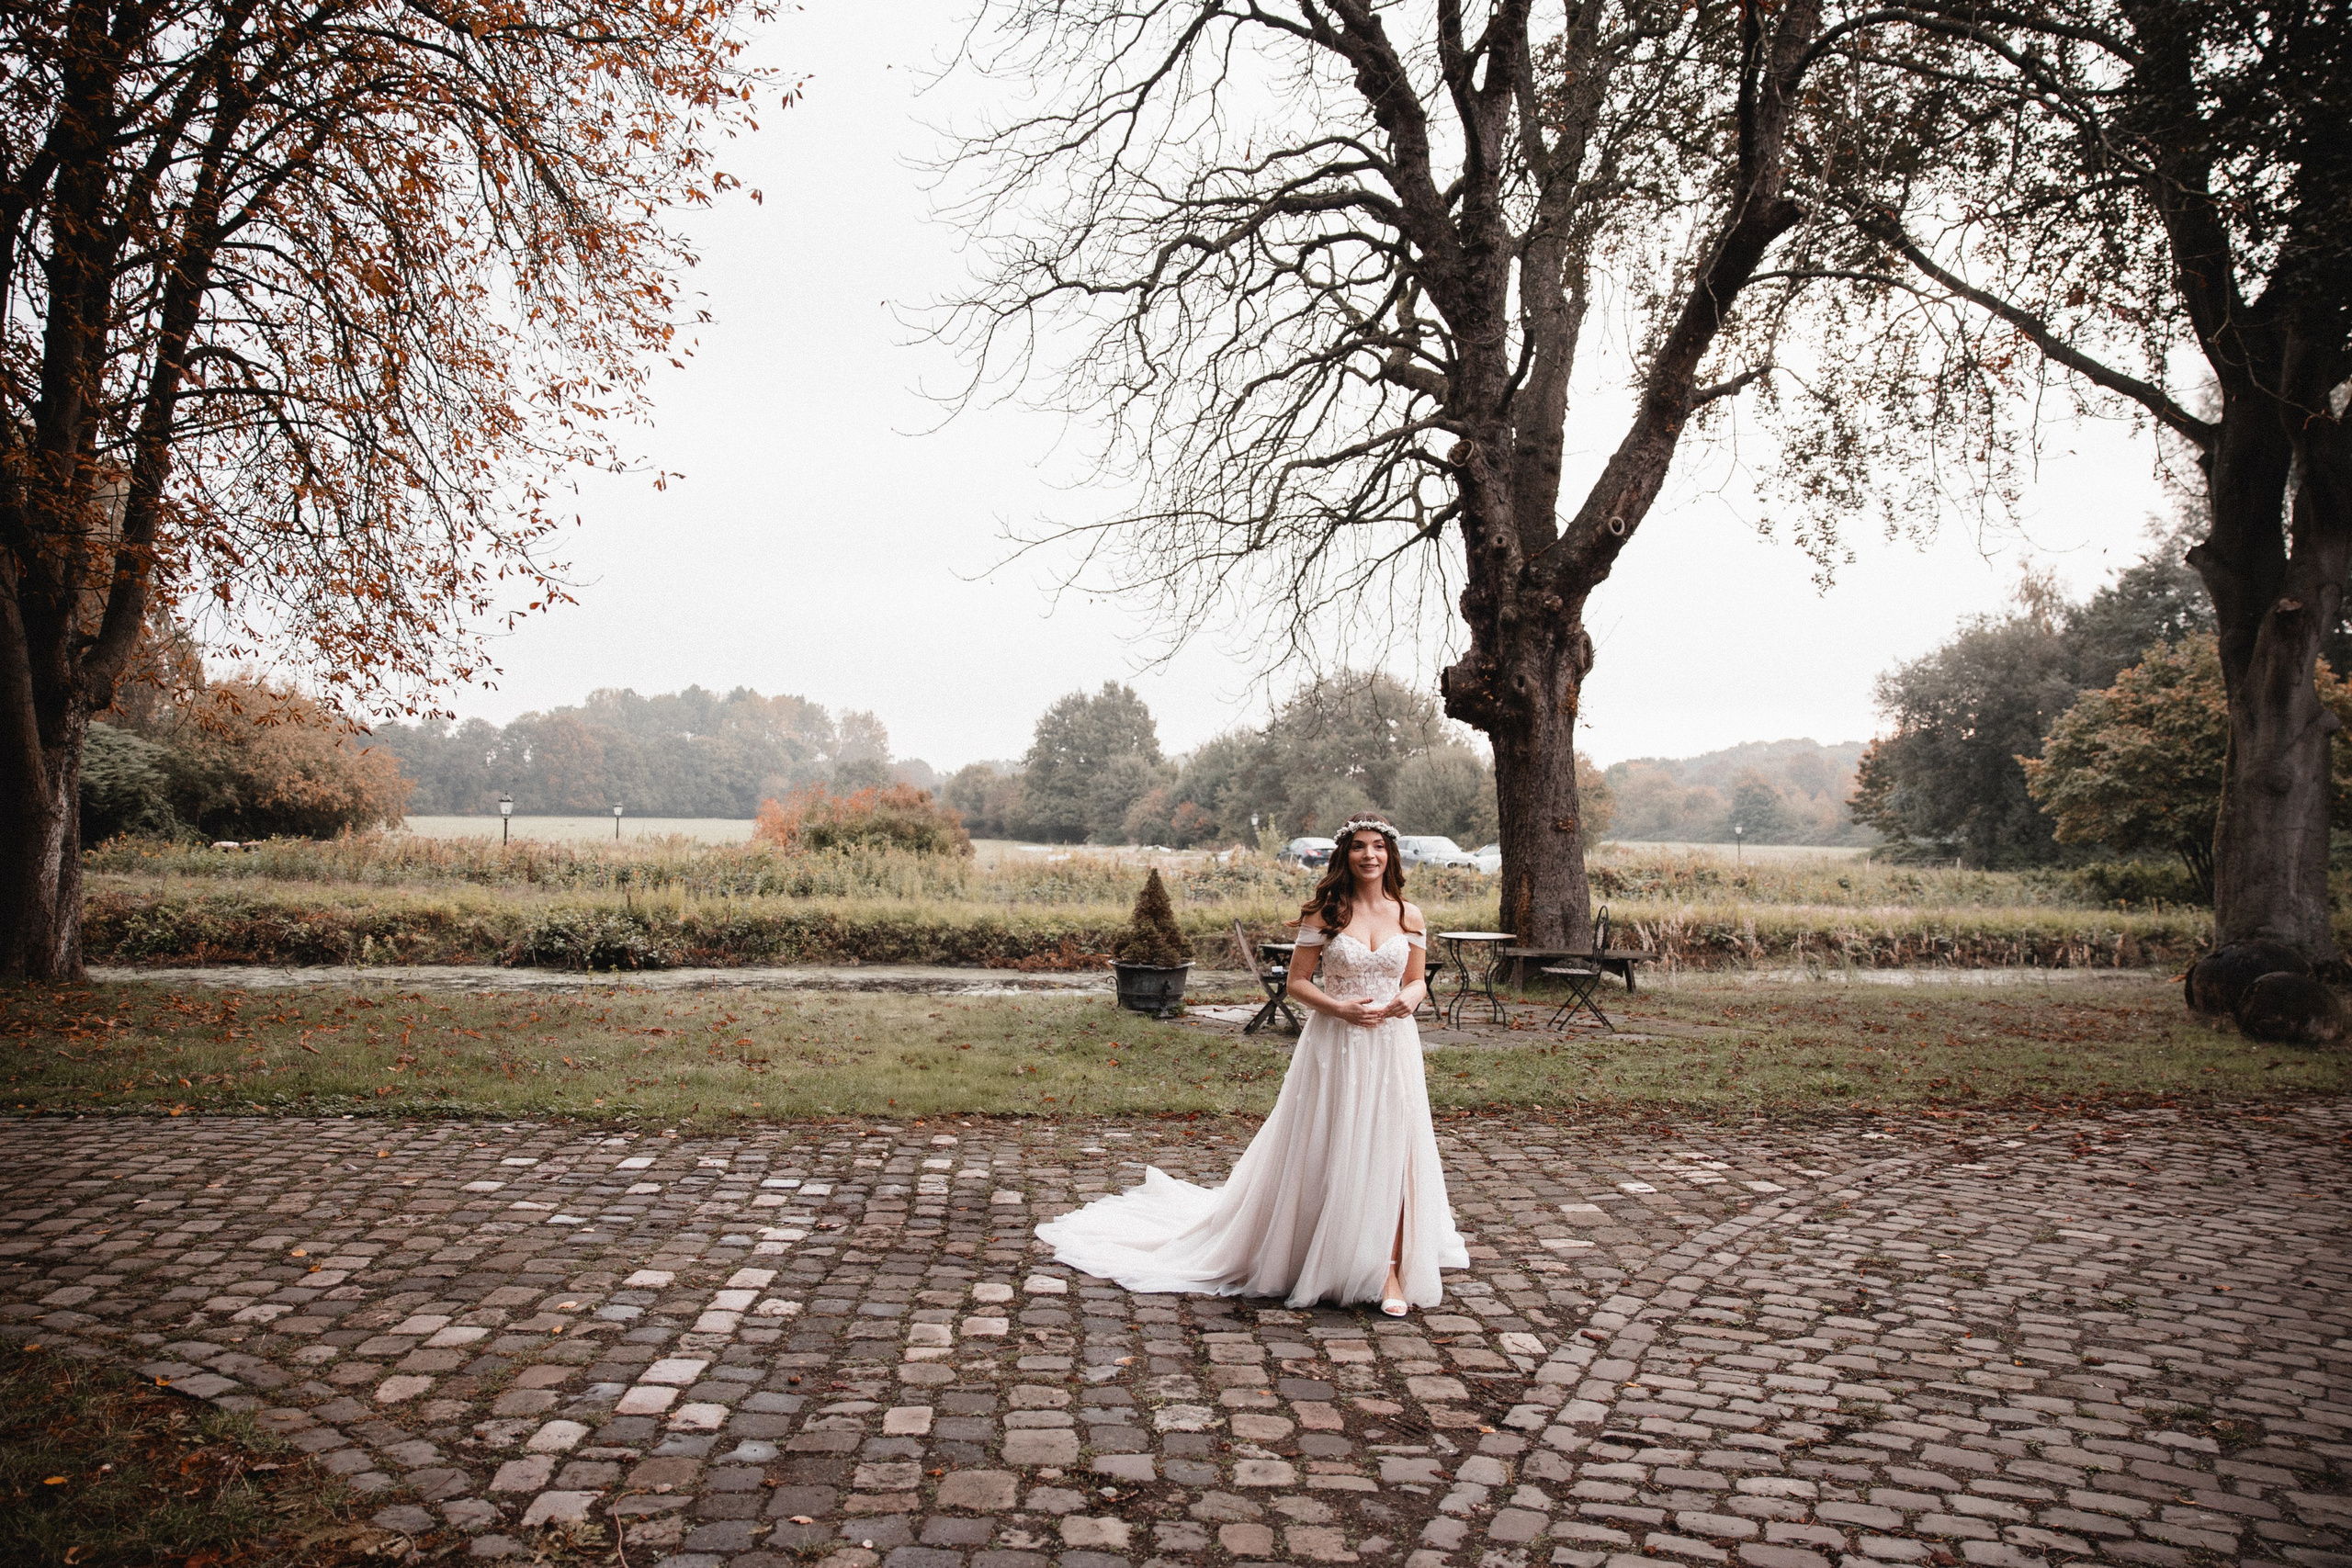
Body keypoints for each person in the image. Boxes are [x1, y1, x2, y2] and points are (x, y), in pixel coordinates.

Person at [1035, 815, 1468, 1314]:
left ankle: (1389, 1270)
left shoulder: (1409, 914)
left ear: (1390, 855)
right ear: (1344, 856)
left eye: (1378, 847)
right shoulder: (1326, 913)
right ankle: (1318, 1249)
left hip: (1392, 1044)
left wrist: (1409, 1000)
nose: (1369, 856)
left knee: (1394, 1146)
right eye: (1358, 847)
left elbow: (1416, 980)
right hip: (1335, 1042)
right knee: (1330, 1142)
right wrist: (1339, 1007)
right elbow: (1297, 985)